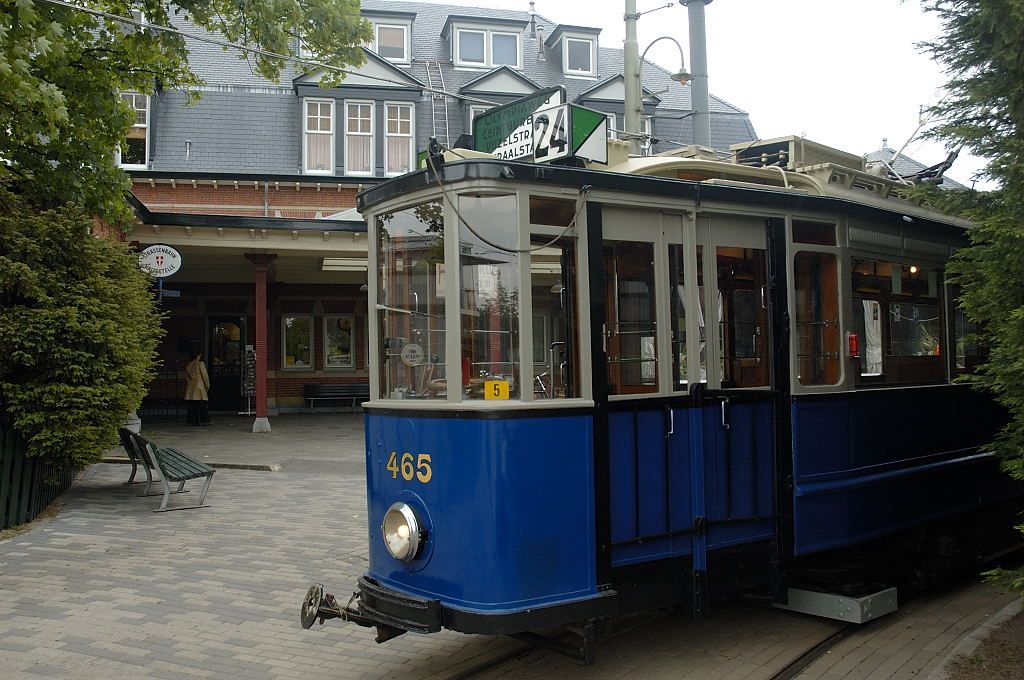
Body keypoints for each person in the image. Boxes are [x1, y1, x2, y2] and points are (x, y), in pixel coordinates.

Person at [184, 350, 211, 425]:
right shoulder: (200, 364)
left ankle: (192, 420)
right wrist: (207, 385)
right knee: (203, 403)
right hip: (199, 385)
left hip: (191, 385)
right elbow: (205, 376)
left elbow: (186, 377)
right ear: (198, 355)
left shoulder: (188, 365)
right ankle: (204, 420)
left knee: (192, 404)